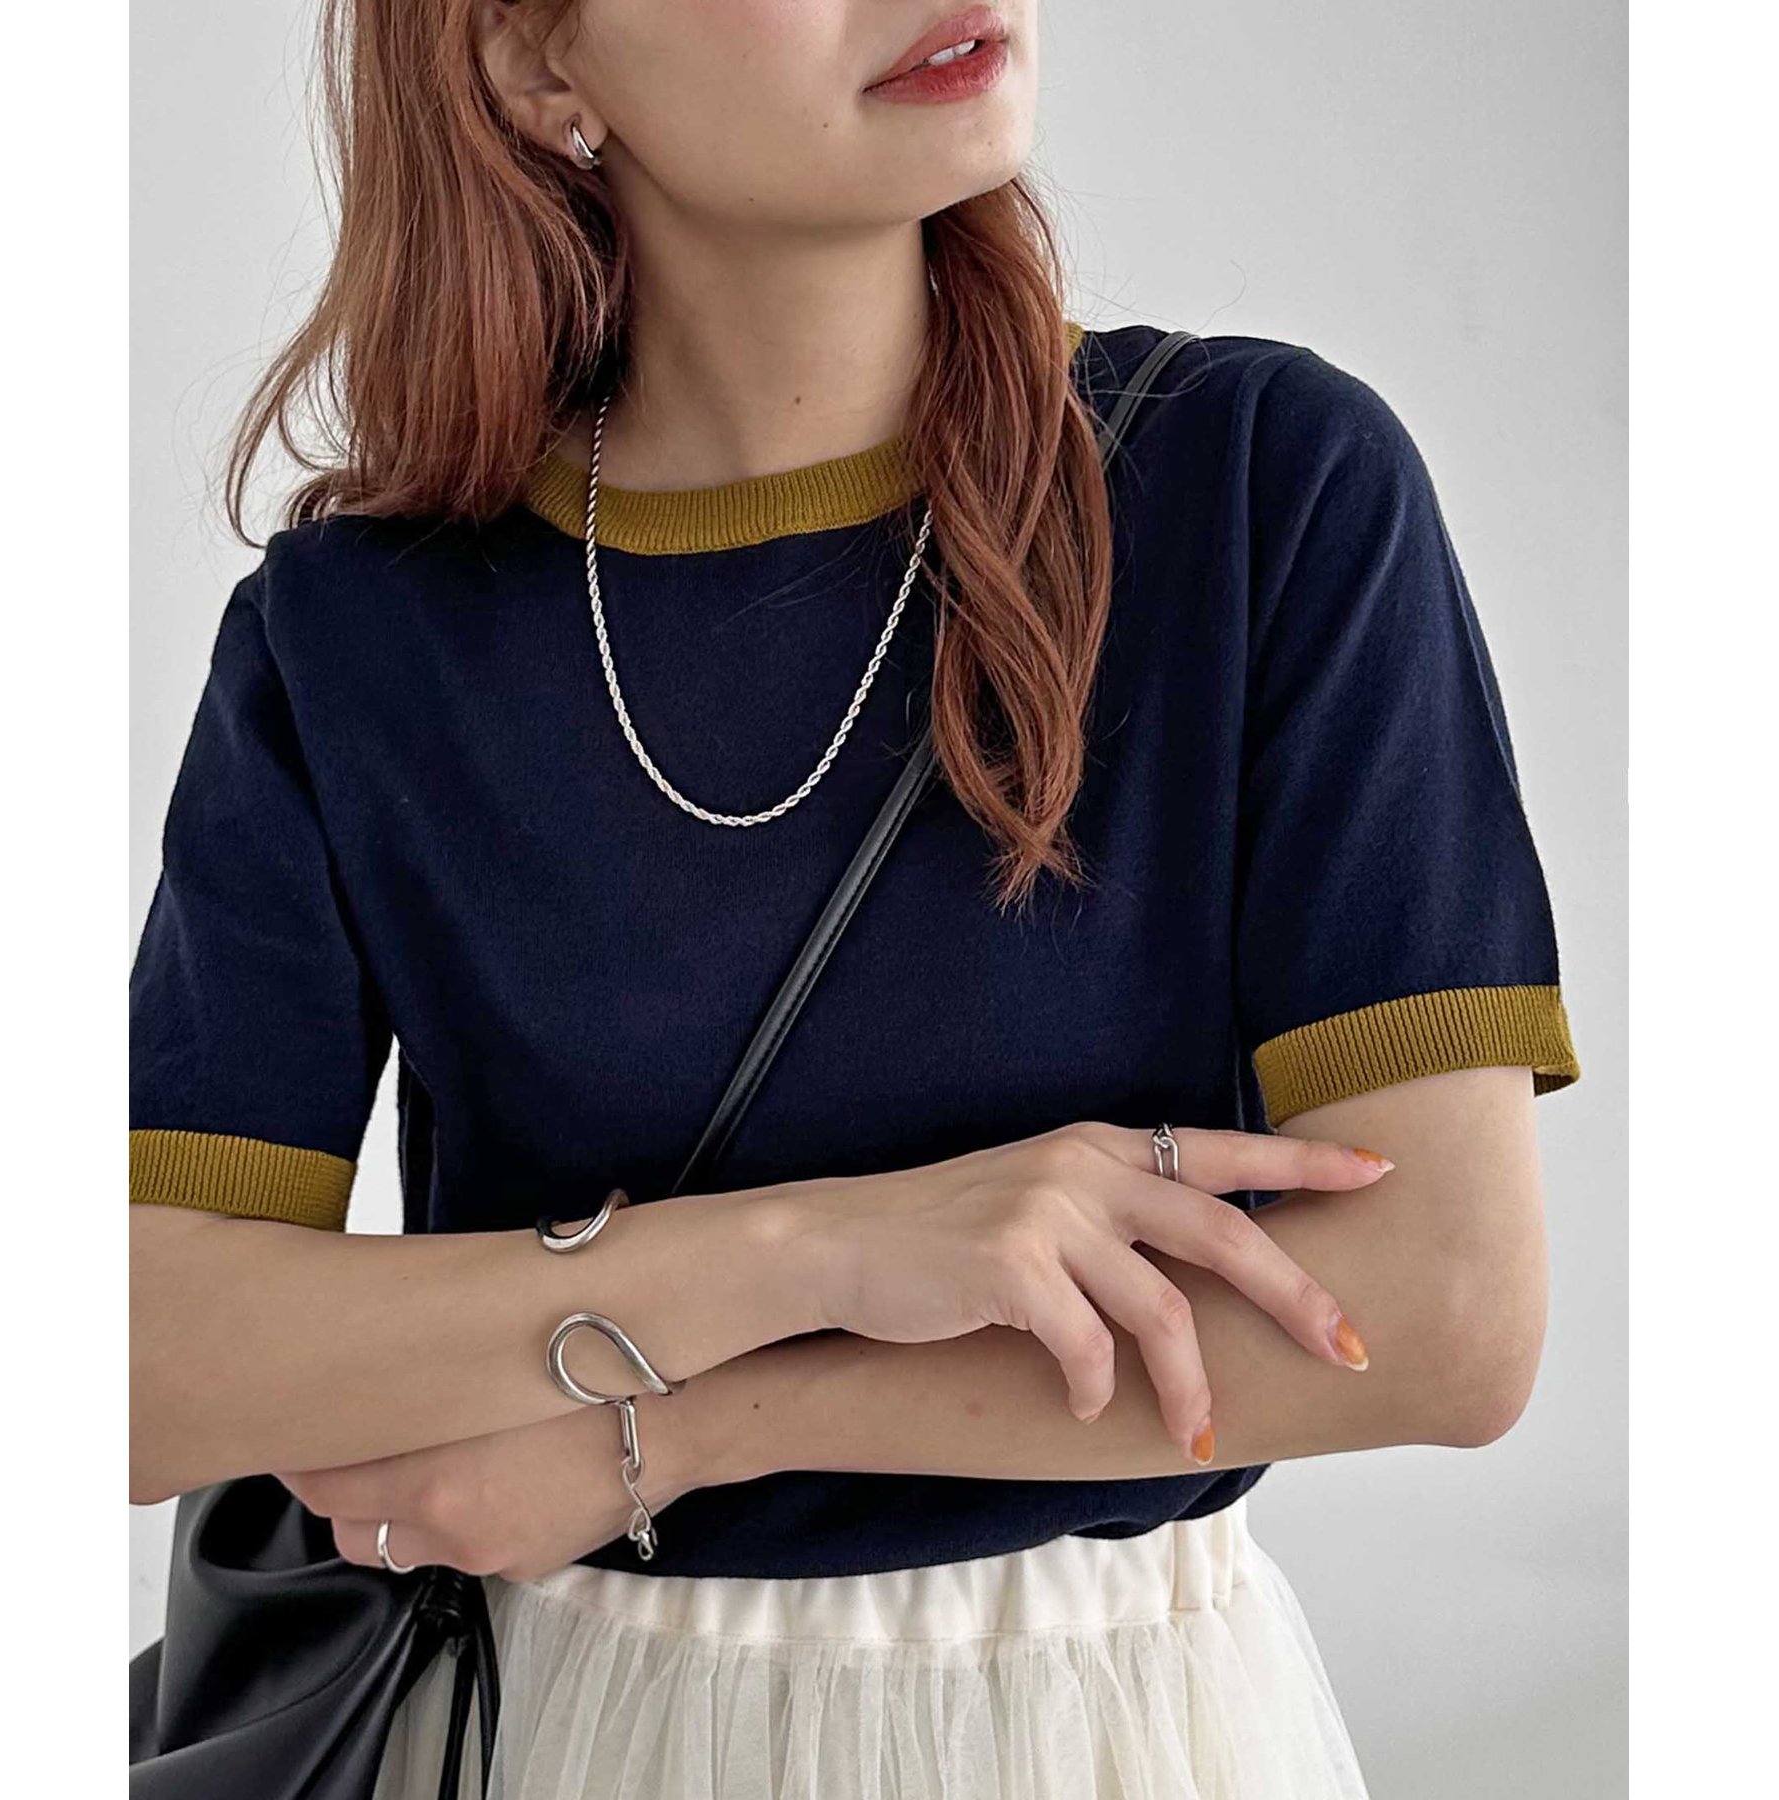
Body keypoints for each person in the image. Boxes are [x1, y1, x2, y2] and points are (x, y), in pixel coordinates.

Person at [128, 3, 1583, 1795]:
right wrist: (814, 1251)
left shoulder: (1257, 487)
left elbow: (1442, 1315)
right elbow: (132, 1356)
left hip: (1107, 1734)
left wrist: (683, 1428)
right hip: (558, 1731)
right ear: (536, 61)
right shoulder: (356, 636)